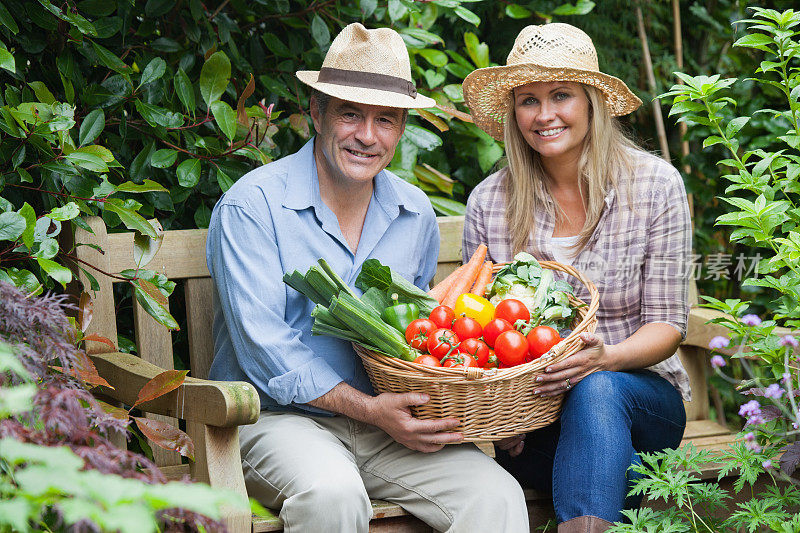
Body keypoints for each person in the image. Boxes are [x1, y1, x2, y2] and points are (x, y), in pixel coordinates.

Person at [206, 23, 528, 533]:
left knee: (496, 495)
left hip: (383, 424)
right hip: (270, 421)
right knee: (331, 495)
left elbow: (414, 338)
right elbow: (263, 348)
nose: (367, 136)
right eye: (350, 113)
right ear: (316, 112)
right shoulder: (253, 206)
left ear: (401, 129)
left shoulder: (413, 213)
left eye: (386, 120)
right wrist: (371, 410)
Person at [461, 23, 692, 533]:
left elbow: (668, 325)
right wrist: (504, 426)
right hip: (536, 421)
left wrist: (605, 357)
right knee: (602, 457)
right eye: (528, 100)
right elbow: (475, 332)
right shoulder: (489, 202)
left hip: (643, 405)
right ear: (513, 112)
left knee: (597, 388)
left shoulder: (655, 186)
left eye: (560, 95)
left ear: (591, 102)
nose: (544, 115)